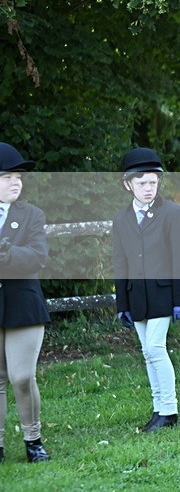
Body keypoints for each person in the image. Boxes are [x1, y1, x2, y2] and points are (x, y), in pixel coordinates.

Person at [112, 147, 180, 432]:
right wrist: (122, 303)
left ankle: (169, 411)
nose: (148, 188)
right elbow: (119, 263)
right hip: (137, 296)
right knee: (147, 352)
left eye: (153, 183)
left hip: (164, 293)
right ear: (127, 184)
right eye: (141, 182)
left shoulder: (172, 212)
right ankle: (158, 408)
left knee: (156, 348)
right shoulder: (121, 219)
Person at [0, 143, 50, 463]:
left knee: (21, 376)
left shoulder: (31, 215)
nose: (16, 182)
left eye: (18, 176)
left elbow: (38, 257)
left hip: (24, 305)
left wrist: (8, 254)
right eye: (7, 176)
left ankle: (33, 439)